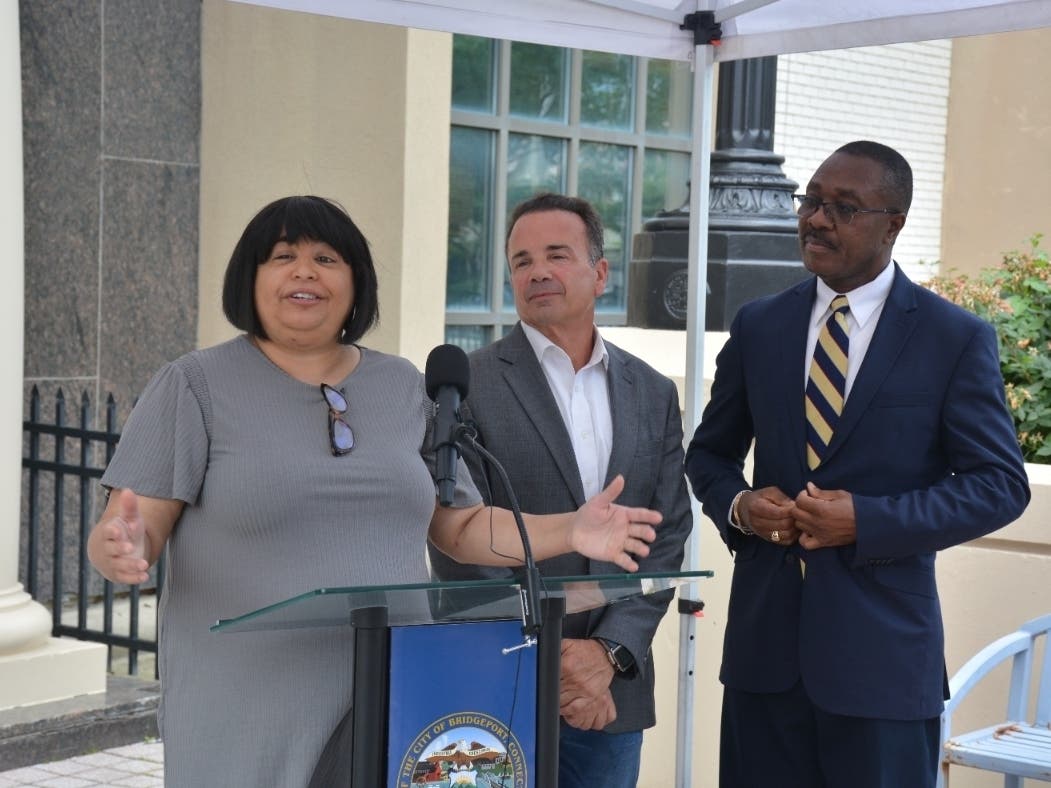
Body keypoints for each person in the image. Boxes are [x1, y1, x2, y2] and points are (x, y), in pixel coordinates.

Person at [86, 195, 663, 788]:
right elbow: (135, 526)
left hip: (395, 701)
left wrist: (569, 529)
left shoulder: (402, 384)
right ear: (249, 279)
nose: (304, 271)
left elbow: (460, 528)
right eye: (282, 256)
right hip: (247, 708)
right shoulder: (194, 386)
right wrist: (119, 546)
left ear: (356, 283)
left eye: (326, 258)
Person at [684, 140, 1030, 788]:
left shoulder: (950, 338)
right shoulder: (760, 326)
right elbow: (708, 453)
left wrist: (866, 521)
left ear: (892, 222)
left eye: (843, 207)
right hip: (764, 662)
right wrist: (742, 507)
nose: (816, 219)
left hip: (884, 668)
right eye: (811, 201)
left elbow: (999, 485)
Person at [428, 193, 693, 787]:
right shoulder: (465, 385)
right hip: (500, 679)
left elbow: (667, 532)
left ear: (600, 273)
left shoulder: (651, 392)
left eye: (556, 254)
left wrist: (606, 656)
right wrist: (547, 661)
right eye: (521, 261)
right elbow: (456, 537)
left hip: (611, 690)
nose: (537, 271)